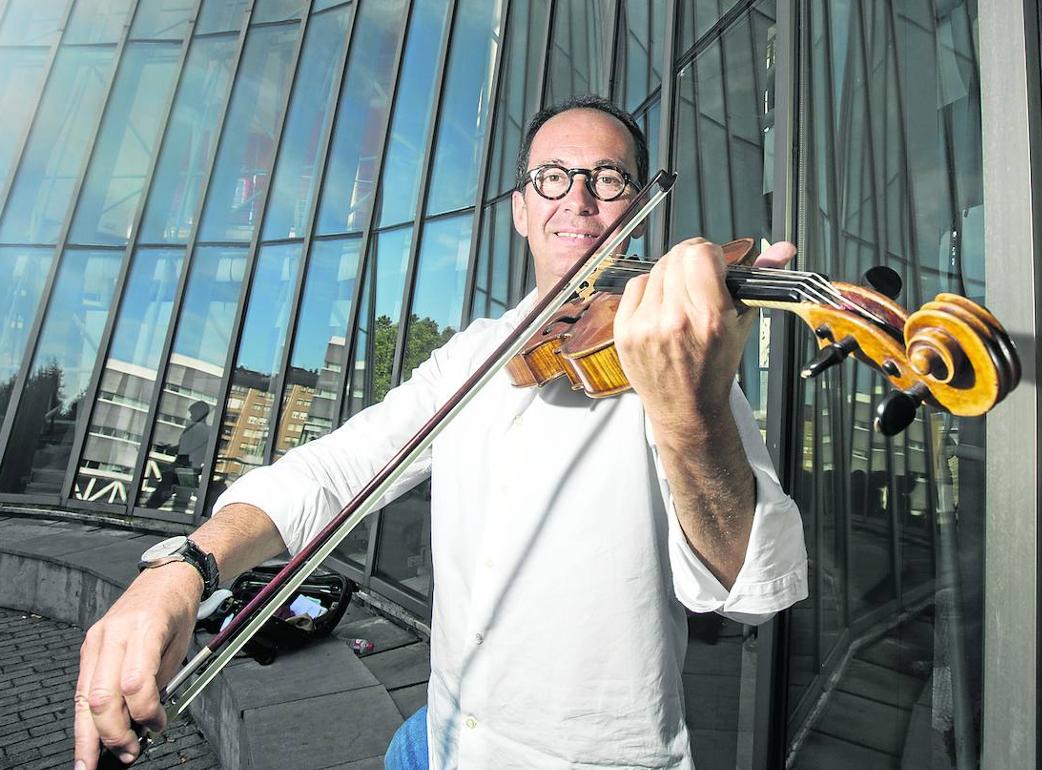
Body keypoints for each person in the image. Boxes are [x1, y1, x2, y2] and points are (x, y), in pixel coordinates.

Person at [73, 95, 808, 770]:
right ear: (522, 209)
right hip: (440, 739)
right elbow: (332, 471)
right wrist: (186, 570)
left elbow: (748, 590)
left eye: (607, 179)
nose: (577, 201)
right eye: (552, 178)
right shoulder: (475, 353)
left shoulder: (672, 363)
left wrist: (692, 411)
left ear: (638, 208)